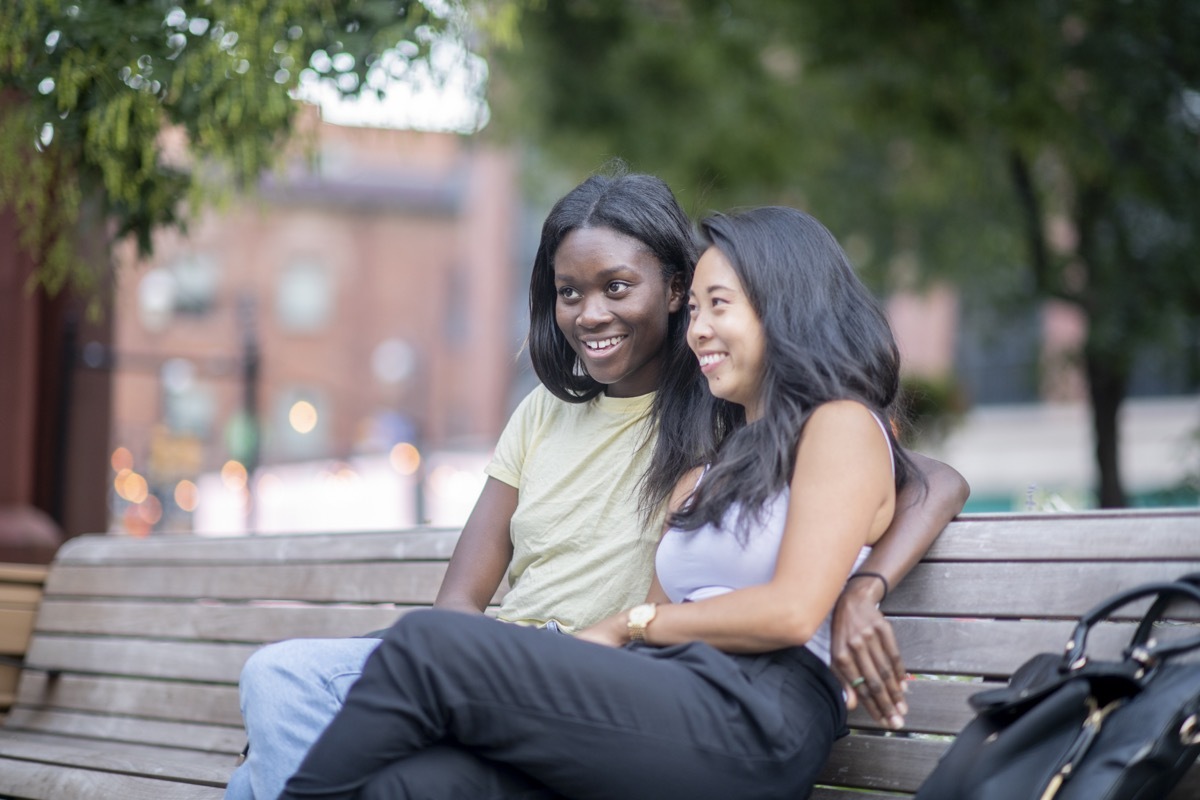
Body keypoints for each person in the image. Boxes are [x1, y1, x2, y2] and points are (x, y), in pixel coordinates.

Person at [226, 174, 967, 799]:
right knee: (418, 782)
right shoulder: (708, 469)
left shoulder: (834, 424)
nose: (699, 331)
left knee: (426, 645)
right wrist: (635, 636)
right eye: (700, 309)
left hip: (755, 712)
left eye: (719, 305)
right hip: (662, 693)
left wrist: (635, 622)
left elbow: (799, 601)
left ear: (784, 305)